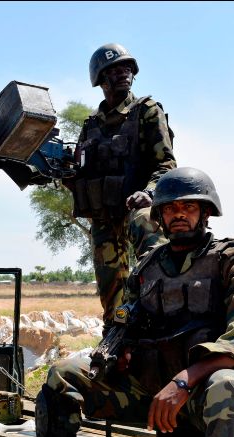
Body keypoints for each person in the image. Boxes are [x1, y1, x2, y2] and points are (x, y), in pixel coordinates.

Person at [36, 167, 234, 437]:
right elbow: (125, 323)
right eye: (170, 208)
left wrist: (182, 382)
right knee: (64, 374)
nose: (179, 214)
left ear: (206, 212)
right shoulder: (147, 266)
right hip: (150, 390)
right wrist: (118, 353)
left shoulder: (233, 262)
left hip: (202, 391)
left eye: (188, 207)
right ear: (160, 215)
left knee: (229, 384)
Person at [68, 42, 177, 327]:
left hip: (137, 207)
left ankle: (167, 318)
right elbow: (78, 172)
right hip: (104, 217)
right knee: (110, 289)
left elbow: (165, 164)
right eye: (114, 70)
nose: (123, 74)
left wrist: (149, 192)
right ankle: (116, 333)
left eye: (127, 68)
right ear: (101, 79)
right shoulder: (91, 124)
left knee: (152, 245)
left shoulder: (147, 111)